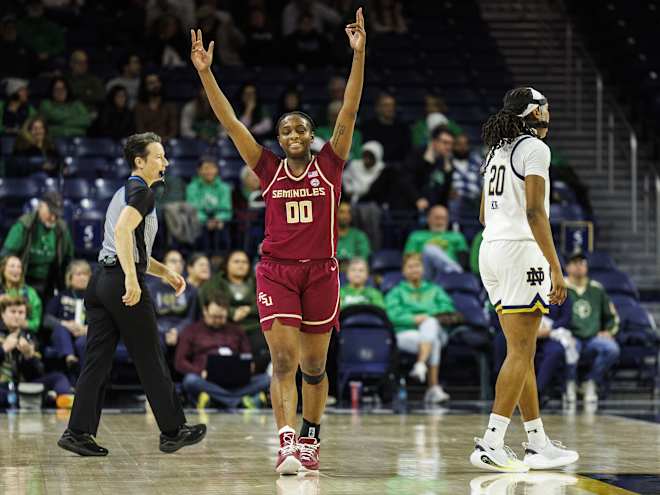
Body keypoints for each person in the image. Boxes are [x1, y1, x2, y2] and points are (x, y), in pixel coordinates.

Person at [190, 7, 365, 473]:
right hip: (277, 272)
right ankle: (286, 441)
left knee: (314, 368)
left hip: (322, 272)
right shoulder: (266, 167)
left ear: (312, 135)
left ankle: (311, 436)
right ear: (280, 136)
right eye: (285, 129)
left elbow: (348, 107)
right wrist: (207, 75)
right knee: (283, 360)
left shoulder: (330, 164)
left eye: (300, 129)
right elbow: (230, 122)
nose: (291, 134)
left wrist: (359, 55)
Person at [57, 132, 206, 457]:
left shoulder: (125, 192)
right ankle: (172, 430)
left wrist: (165, 272)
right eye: (159, 156)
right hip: (119, 280)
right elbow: (124, 233)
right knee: (150, 354)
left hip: (101, 282)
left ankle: (78, 432)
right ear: (140, 161)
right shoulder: (143, 193)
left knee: (96, 361)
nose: (165, 162)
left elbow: (130, 246)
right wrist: (132, 279)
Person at [470, 87, 578, 472]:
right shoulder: (535, 149)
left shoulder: (496, 150)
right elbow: (535, 212)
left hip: (491, 251)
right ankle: (492, 442)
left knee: (522, 350)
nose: (551, 110)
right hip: (520, 252)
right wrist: (555, 266)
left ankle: (538, 443)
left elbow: (484, 213)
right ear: (535, 114)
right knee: (520, 352)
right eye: (546, 105)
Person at [175, 290, 270, 409]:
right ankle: (237, 401)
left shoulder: (237, 330)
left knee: (266, 379)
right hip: (206, 380)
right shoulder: (191, 331)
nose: (217, 320)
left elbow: (247, 355)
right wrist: (200, 372)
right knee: (190, 381)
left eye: (221, 317)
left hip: (236, 381)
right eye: (214, 316)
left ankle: (217, 399)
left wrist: (249, 367)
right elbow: (180, 362)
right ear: (205, 311)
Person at [386, 253, 455, 403]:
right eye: (410, 267)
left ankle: (420, 363)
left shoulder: (435, 289)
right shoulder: (397, 292)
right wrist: (413, 319)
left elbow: (447, 308)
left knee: (429, 323)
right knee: (433, 343)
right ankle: (433, 388)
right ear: (403, 271)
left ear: (423, 269)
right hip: (405, 333)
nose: (414, 270)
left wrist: (425, 317)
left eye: (417, 266)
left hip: (434, 329)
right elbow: (391, 315)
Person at [564, 252, 620, 404]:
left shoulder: (596, 288)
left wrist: (609, 331)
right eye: (575, 263)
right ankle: (569, 384)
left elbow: (612, 316)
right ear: (567, 267)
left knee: (612, 349)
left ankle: (590, 382)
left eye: (582, 263)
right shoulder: (561, 287)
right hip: (569, 336)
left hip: (592, 338)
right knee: (567, 346)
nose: (579, 266)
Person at [0, 295, 73, 409]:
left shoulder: (30, 337)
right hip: (3, 384)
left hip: (22, 385)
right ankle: (44, 399)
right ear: (3, 314)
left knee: (58, 377)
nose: (17, 316)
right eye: (12, 312)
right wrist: (3, 349)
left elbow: (37, 374)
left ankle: (64, 399)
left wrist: (29, 356)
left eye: (21, 312)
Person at [198, 250, 266, 372]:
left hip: (254, 327)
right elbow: (209, 300)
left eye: (244, 262)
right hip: (225, 326)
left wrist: (249, 310)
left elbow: (268, 301)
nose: (241, 265)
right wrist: (232, 312)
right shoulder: (215, 282)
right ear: (227, 264)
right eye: (236, 261)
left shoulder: (258, 281)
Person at [1, 191, 74, 301]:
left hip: (49, 283)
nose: (53, 218)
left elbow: (68, 260)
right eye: (51, 212)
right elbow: (5, 256)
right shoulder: (24, 225)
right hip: (23, 281)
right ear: (40, 206)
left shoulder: (62, 229)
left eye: (57, 214)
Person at [493, 301, 571, 401]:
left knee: (556, 350)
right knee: (501, 342)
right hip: (518, 333)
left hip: (547, 335)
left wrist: (550, 329)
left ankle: (537, 393)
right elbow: (499, 315)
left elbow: (566, 317)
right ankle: (506, 391)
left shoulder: (555, 288)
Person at [144, 250, 198, 357]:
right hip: (158, 330)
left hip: (182, 330)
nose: (178, 265)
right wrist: (165, 333)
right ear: (163, 265)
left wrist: (177, 331)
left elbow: (191, 318)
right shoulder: (151, 288)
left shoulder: (191, 290)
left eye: (180, 262)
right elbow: (149, 317)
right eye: (173, 261)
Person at [43, 260, 91, 373]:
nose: (83, 278)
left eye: (86, 274)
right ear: (70, 277)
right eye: (78, 274)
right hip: (64, 334)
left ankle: (85, 379)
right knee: (60, 329)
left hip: (85, 334)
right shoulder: (61, 296)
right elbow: (46, 320)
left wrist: (86, 329)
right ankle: (70, 358)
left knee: (82, 342)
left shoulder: (96, 299)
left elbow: (104, 322)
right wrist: (66, 324)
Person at [404, 205, 469, 277]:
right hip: (424, 273)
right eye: (437, 218)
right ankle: (455, 271)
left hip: (447, 276)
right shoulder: (416, 236)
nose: (440, 222)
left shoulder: (457, 236)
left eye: (443, 218)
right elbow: (408, 258)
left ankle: (453, 271)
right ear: (428, 219)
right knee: (429, 249)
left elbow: (463, 260)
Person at [185, 157, 233, 252]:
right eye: (206, 168)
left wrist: (218, 219)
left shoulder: (224, 188)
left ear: (217, 170)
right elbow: (193, 209)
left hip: (219, 223)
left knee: (222, 232)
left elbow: (226, 209)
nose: (209, 171)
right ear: (199, 170)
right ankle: (200, 257)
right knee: (201, 232)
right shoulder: (191, 188)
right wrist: (206, 221)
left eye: (212, 168)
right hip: (200, 223)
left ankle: (221, 259)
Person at [406, 125, 455, 208]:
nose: (448, 147)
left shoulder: (448, 161)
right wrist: (417, 199)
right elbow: (406, 181)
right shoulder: (417, 154)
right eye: (445, 143)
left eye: (451, 144)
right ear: (434, 141)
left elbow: (444, 192)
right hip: (410, 205)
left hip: (434, 208)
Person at [362, 92, 411, 162]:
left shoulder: (403, 128)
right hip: (374, 166)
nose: (390, 109)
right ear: (377, 108)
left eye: (392, 105)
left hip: (398, 167)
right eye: (386, 105)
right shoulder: (368, 127)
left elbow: (407, 152)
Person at [0, 256, 42, 333]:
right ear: (3, 269)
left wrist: (26, 324)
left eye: (19, 267)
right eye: (12, 266)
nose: (16, 270)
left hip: (23, 334)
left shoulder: (30, 292)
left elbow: (36, 323)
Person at [135, 73, 178, 141]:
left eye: (157, 82)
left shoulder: (170, 106)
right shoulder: (139, 107)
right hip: (146, 143)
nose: (156, 85)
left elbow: (173, 130)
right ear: (145, 86)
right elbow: (140, 130)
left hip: (167, 142)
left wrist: (164, 140)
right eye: (151, 83)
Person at [336, 202, 370, 270]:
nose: (346, 216)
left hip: (354, 273)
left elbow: (363, 258)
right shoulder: (327, 236)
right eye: (342, 212)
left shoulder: (359, 235)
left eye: (349, 212)